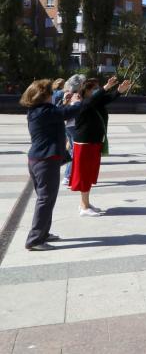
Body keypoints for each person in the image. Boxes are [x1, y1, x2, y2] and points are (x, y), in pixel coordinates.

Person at [20, 79, 84, 250]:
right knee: (45, 199)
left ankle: (43, 233)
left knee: (46, 199)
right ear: (45, 95)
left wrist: (64, 101)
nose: (54, 94)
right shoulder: (45, 112)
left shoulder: (36, 110)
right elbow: (69, 112)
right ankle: (34, 240)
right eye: (51, 92)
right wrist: (77, 102)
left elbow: (57, 111)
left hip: (38, 160)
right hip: (45, 161)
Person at [72, 76, 132, 215]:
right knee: (84, 175)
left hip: (93, 142)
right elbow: (92, 100)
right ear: (86, 90)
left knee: (89, 174)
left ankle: (85, 203)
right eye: (94, 89)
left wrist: (119, 90)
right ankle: (84, 207)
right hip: (84, 143)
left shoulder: (95, 103)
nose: (97, 91)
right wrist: (105, 87)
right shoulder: (82, 103)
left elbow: (108, 98)